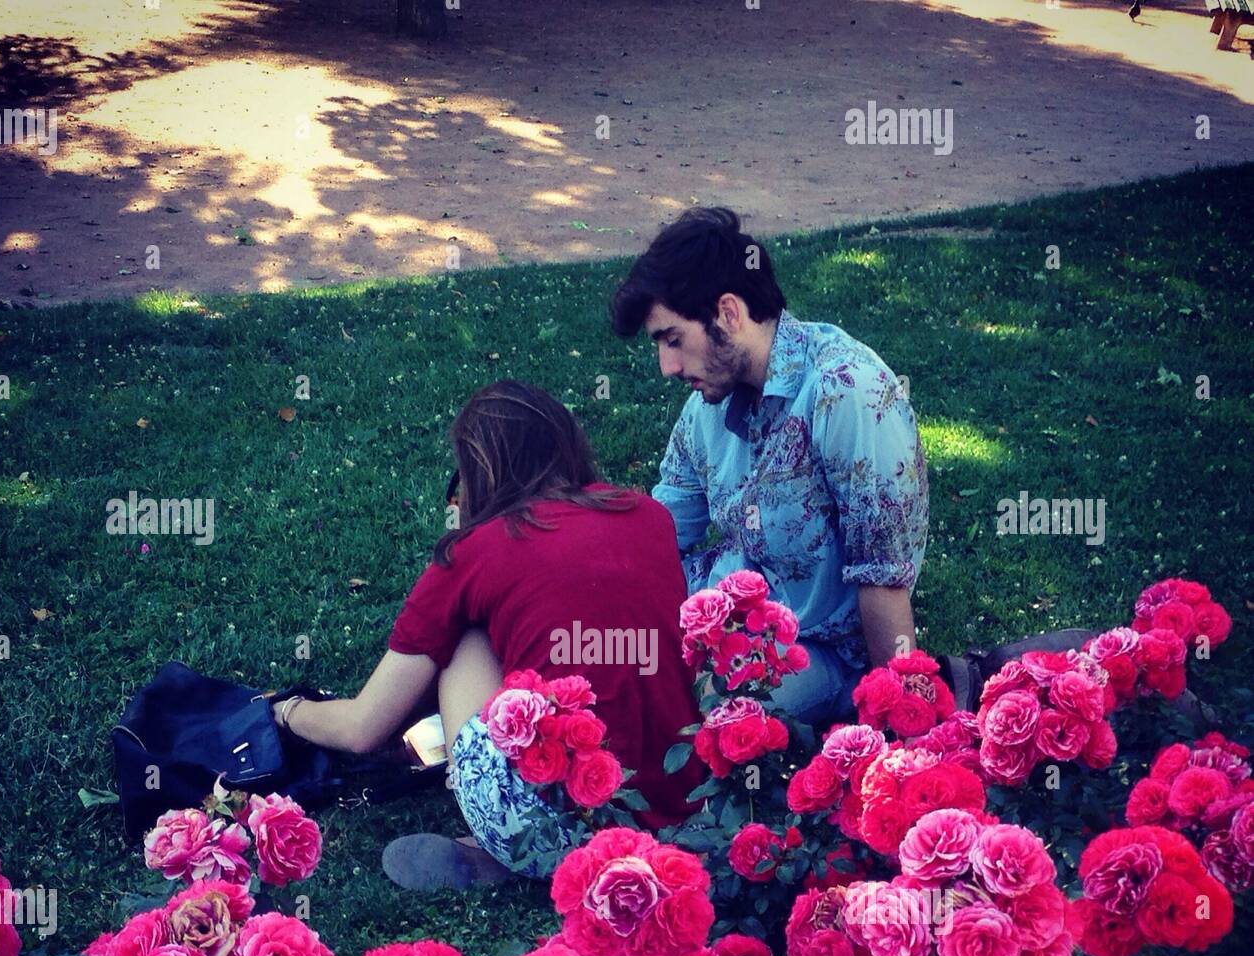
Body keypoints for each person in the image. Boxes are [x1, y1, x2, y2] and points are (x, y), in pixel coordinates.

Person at [276, 379, 705, 889]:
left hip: (555, 828)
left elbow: (361, 730)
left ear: (477, 472)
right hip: (685, 809)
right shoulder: (650, 517)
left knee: (464, 631)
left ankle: (509, 848)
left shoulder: (479, 550)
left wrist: (286, 712)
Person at [611, 206, 930, 726]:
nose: (667, 368)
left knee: (704, 711)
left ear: (729, 313)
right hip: (721, 616)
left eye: (673, 340)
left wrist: (899, 730)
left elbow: (883, 581)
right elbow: (661, 538)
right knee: (610, 656)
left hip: (818, 650)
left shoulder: (847, 394)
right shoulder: (706, 409)